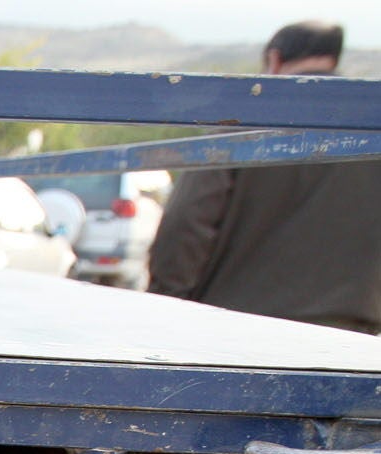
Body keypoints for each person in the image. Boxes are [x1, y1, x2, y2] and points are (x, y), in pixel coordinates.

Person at [146, 21, 381, 335]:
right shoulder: (372, 130)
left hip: (241, 332)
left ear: (274, 60)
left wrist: (169, 310)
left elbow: (186, 222)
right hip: (351, 339)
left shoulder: (242, 125)